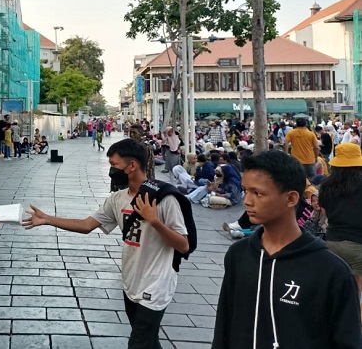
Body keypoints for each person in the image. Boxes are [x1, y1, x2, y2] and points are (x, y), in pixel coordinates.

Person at [24, 139, 189, 348]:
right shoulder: (117, 199)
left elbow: (183, 245)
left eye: (114, 165)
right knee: (149, 342)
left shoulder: (164, 199)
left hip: (157, 284)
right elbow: (86, 225)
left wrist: (154, 221)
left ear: (132, 166)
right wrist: (48, 219)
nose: (111, 171)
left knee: (138, 343)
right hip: (131, 281)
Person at [212, 150, 362, 348]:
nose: (247, 200)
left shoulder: (331, 271)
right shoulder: (239, 255)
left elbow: (347, 340)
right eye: (245, 190)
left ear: (291, 199)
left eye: (258, 193)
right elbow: (224, 323)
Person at [319, 143, 362, 317]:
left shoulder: (326, 186)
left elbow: (324, 212)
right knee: (356, 292)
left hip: (332, 242)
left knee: (335, 283)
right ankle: (354, 323)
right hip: (358, 245)